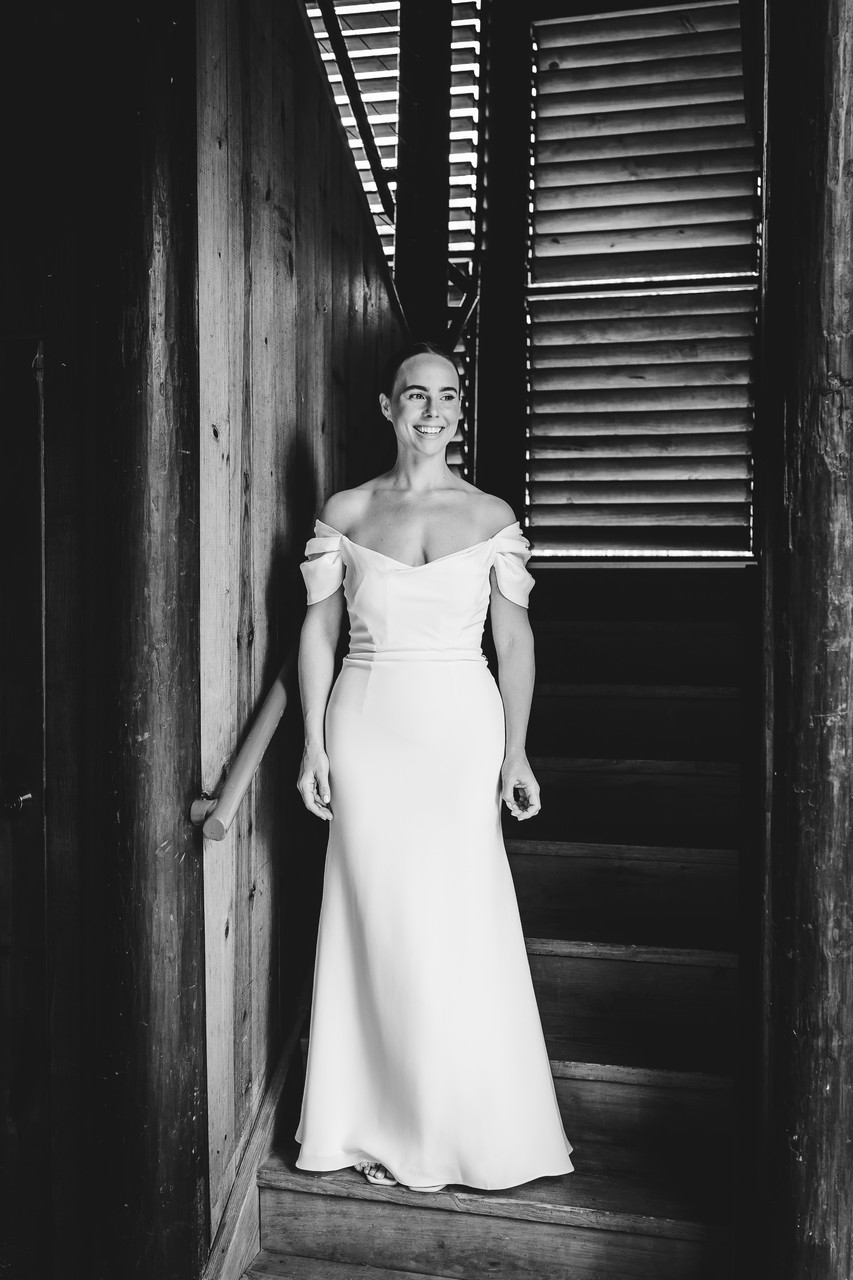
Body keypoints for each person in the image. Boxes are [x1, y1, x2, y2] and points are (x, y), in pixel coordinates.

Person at [294, 340, 574, 1192]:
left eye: (446, 395)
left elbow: (514, 642)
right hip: (366, 722)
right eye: (414, 395)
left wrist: (515, 749)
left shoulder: (489, 516)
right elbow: (319, 632)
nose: (431, 410)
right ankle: (379, 1121)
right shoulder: (347, 510)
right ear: (388, 408)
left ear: (460, 411)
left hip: (460, 729)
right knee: (375, 918)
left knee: (458, 913)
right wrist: (311, 742)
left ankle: (463, 1122)